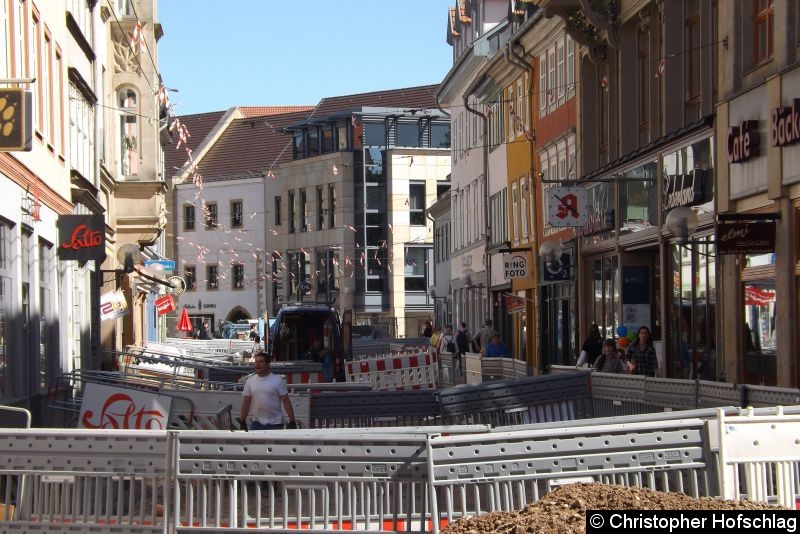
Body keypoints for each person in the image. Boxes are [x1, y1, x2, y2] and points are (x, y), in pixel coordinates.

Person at [240, 352, 297, 430]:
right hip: (256, 423)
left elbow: (286, 401)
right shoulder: (249, 382)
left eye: (261, 362)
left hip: (275, 423)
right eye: (256, 362)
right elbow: (246, 402)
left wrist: (292, 420)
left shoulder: (278, 380)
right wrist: (242, 421)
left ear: (268, 365)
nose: (257, 364)